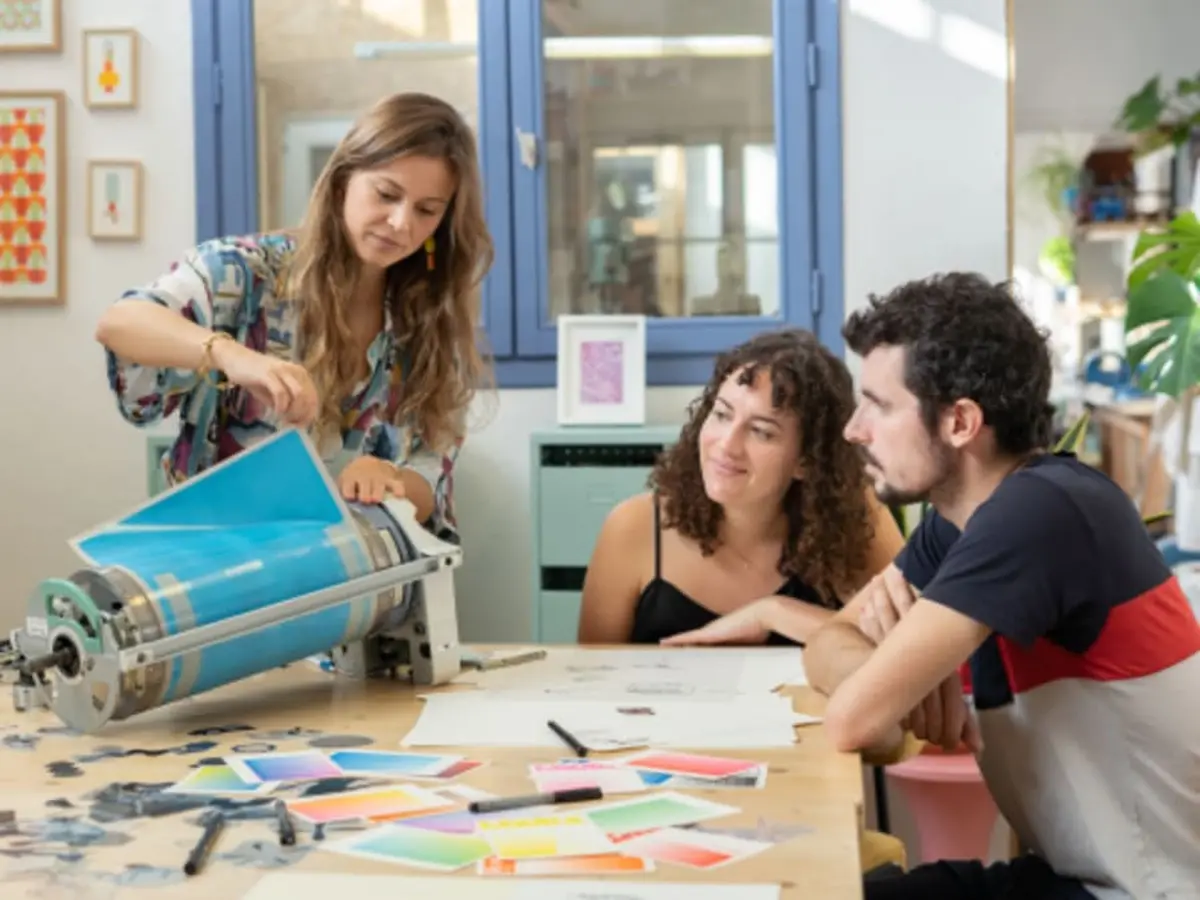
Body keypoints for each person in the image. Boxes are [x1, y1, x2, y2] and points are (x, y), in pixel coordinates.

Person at [803, 273, 1200, 899]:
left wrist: (882, 682)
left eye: (878, 405)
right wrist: (888, 668)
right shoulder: (961, 524)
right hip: (1072, 879)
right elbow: (828, 642)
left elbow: (852, 721)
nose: (855, 429)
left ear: (960, 421)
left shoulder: (1041, 513)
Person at [95, 92, 493, 541]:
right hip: (223, 575)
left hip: (355, 588)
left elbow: (432, 470)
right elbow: (121, 322)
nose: (402, 223)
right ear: (343, 181)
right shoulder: (245, 272)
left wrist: (390, 481)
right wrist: (231, 356)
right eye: (386, 194)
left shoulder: (429, 320)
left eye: (426, 210)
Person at [577, 328, 904, 646]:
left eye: (761, 431)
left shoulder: (854, 519)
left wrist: (774, 613)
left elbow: (913, 646)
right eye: (721, 414)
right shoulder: (633, 526)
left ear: (806, 460)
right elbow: (592, 678)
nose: (726, 446)